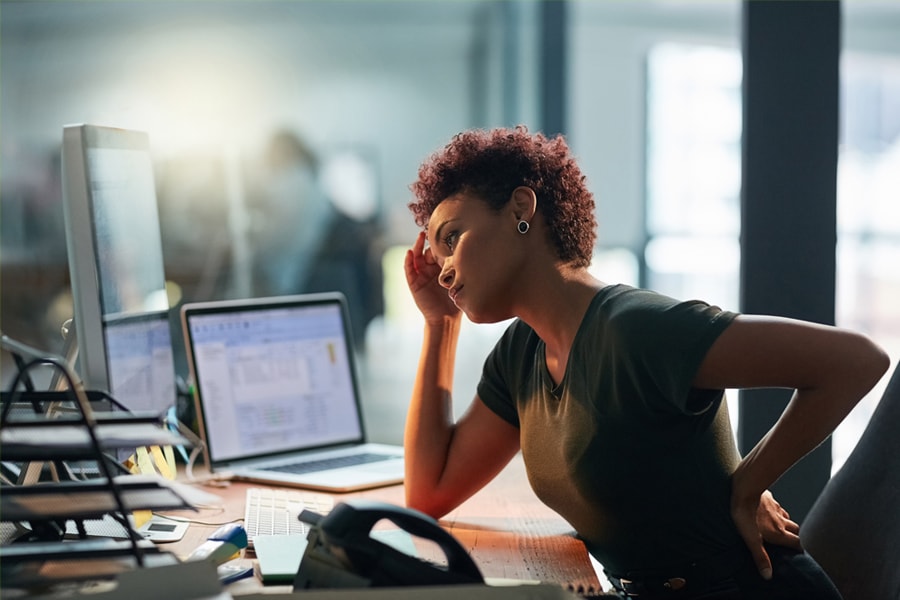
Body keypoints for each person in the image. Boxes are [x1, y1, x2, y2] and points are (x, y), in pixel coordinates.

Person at [402, 126, 889, 599]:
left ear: (520, 210)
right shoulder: (520, 353)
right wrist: (440, 326)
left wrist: (745, 486)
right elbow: (430, 492)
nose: (444, 271)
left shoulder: (636, 331)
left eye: (453, 237)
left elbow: (854, 361)